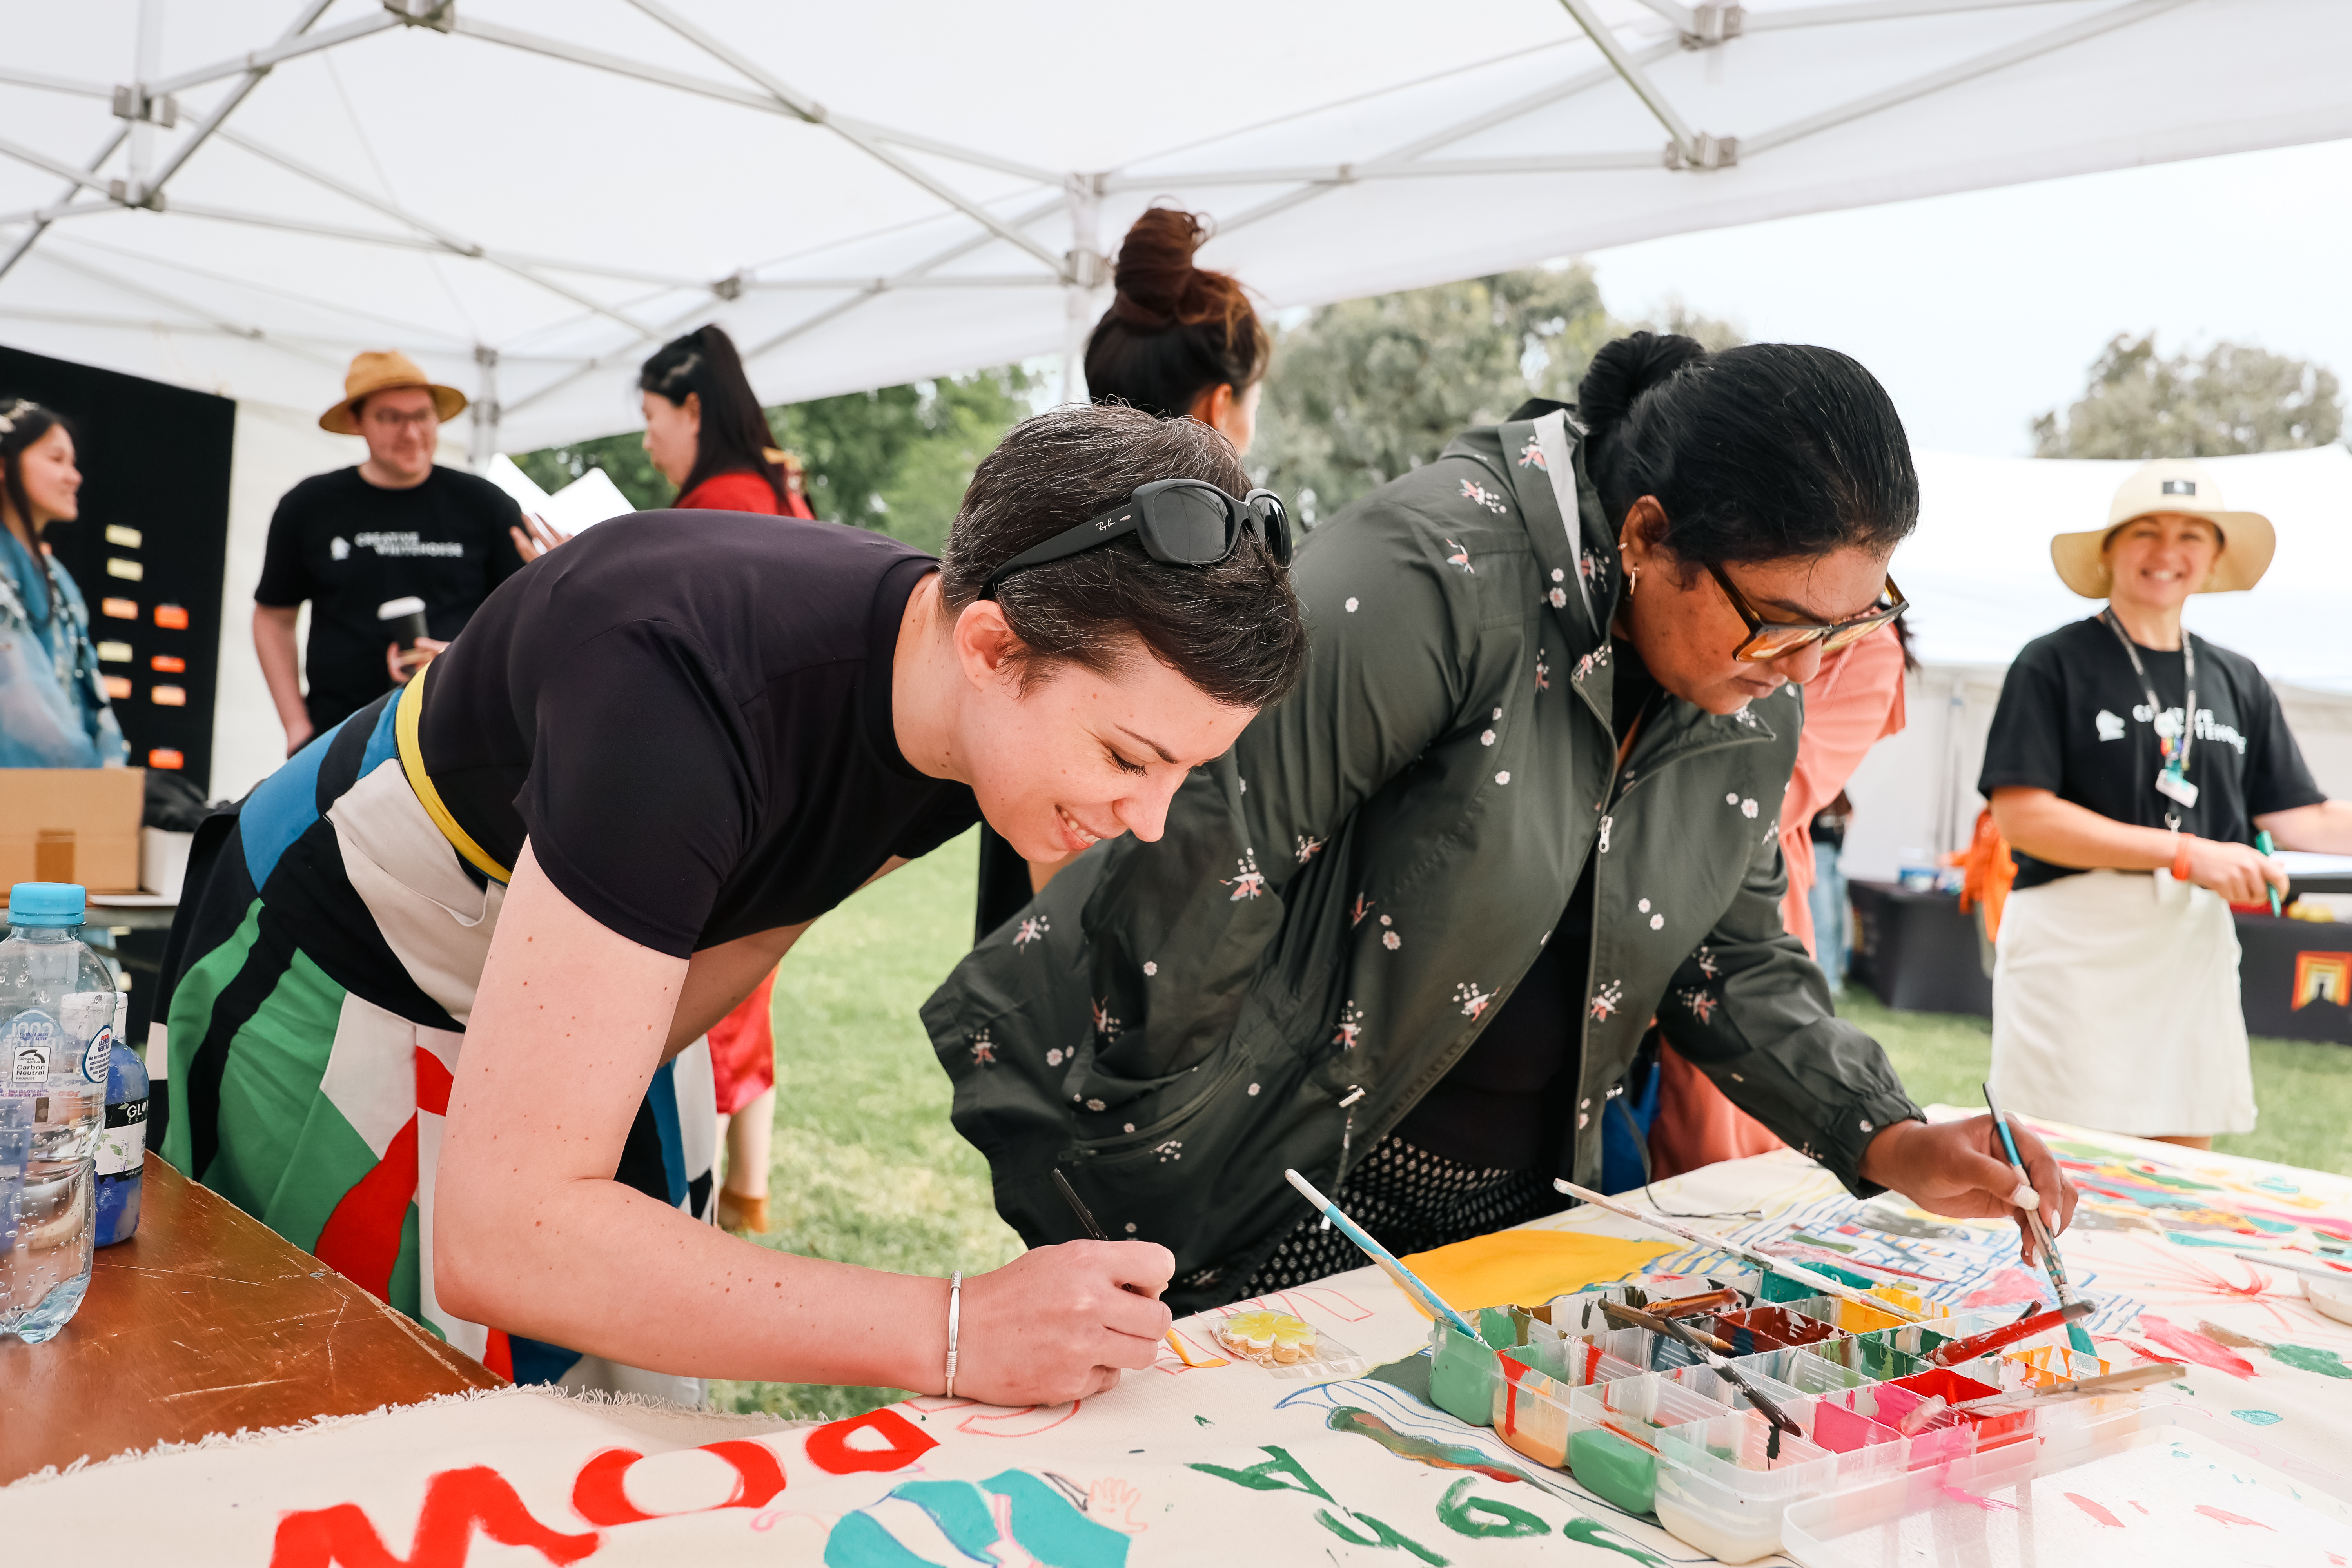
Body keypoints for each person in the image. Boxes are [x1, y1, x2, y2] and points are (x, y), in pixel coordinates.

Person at [156, 403, 1305, 1406]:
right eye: (1125, 754)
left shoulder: (972, 728)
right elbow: (500, 1239)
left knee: (600, 1375)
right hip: (343, 936)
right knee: (344, 1395)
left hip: (536, 926)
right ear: (991, 646)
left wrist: (550, 1110)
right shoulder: (676, 697)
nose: (1146, 818)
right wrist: (954, 1329)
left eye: (1181, 773)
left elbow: (761, 917)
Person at [931, 333, 2079, 1312]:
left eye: (1844, 624)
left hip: (1521, 1208)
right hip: (1279, 1182)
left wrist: (1886, 1135)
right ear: (1642, 536)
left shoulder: (1748, 679)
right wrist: (1155, 1178)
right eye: (1775, 625)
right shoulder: (1434, 572)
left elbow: (1730, 957)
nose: (1797, 669)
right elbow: (1204, 855)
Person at [1980, 459, 2352, 1150]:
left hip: (2190, 951)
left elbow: (2302, 816)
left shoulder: (2236, 678)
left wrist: (2196, 862)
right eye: (2145, 532)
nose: (2167, 552)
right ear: (2110, 550)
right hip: (2073, 947)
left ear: (2213, 559)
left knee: (2180, 1185)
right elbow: (2023, 816)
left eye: (2190, 535)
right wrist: (2186, 852)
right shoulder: (2052, 662)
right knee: (2059, 1166)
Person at [975, 206, 1270, 938]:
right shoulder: (1192, 591)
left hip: (1023, 926)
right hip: (1099, 940)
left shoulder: (1050, 523)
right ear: (1221, 404)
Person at [634, 323, 815, 1236]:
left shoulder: (722, 506)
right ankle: (746, 1197)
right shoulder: (782, 490)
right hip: (787, 800)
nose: (648, 442)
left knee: (704, 1013)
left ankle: (701, 1210)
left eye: (652, 418)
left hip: (725, 799)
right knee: (748, 1000)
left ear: (693, 407)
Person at [1648, 622, 1911, 1180]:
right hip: (1639, 869)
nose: (1800, 666)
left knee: (1713, 1152)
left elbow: (1776, 793)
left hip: (1735, 889)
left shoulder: (1867, 649)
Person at [253, 352, 536, 756]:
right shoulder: (309, 506)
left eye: (422, 415)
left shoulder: (486, 505)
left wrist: (456, 658)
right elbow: (273, 618)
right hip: (339, 737)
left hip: (461, 735)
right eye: (391, 418)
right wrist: (296, 725)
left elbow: (523, 619)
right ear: (357, 422)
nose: (412, 433)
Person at [0, 399, 127, 768]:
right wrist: (92, 772)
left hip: (60, 787)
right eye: (57, 460)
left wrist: (109, 770)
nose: (75, 477)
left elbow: (89, 695)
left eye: (73, 463)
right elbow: (20, 704)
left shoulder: (59, 577)